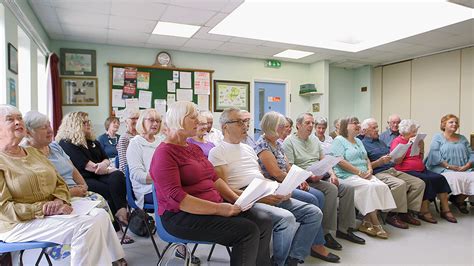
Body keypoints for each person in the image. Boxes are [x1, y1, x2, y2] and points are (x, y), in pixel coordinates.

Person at [0, 105, 126, 266]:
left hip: (47, 213)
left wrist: (59, 201)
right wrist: (45, 207)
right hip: (16, 223)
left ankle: (112, 260)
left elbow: (58, 182)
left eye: (19, 118)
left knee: (99, 215)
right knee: (86, 226)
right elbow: (3, 209)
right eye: (10, 119)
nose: (18, 122)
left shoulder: (32, 153)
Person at [150, 101, 273, 266]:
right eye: (193, 117)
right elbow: (179, 199)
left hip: (211, 206)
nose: (198, 121)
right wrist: (221, 209)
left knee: (264, 221)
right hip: (181, 217)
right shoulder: (164, 153)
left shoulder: (193, 149)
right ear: (179, 120)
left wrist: (237, 199)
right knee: (247, 231)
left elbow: (214, 179)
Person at [209, 107, 322, 266]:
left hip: (263, 189)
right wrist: (260, 196)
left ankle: (293, 258)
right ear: (225, 127)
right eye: (239, 122)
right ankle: (279, 263)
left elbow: (260, 176)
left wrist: (278, 188)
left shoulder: (248, 148)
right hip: (244, 197)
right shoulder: (217, 152)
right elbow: (224, 190)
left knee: (313, 213)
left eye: (246, 122)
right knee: (286, 219)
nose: (245, 126)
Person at [254, 111, 339, 263]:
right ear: (272, 127)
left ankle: (309, 243)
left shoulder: (278, 143)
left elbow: (287, 167)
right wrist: (296, 181)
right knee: (313, 198)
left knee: (318, 196)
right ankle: (316, 244)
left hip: (287, 183)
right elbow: (276, 173)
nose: (285, 129)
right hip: (275, 187)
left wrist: (299, 178)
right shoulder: (262, 145)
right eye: (281, 126)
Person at [283, 113, 365, 246]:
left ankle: (344, 229)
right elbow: (290, 167)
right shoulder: (289, 142)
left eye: (312, 123)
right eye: (307, 123)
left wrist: (332, 174)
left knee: (347, 188)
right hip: (305, 179)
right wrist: (310, 175)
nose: (311, 126)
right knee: (331, 189)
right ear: (298, 125)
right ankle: (327, 233)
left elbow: (323, 159)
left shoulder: (314, 140)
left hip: (321, 174)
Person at [56, 111, 129, 228]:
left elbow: (105, 158)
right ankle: (115, 227)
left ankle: (121, 211)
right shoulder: (67, 143)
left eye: (88, 121)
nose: (88, 124)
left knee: (118, 176)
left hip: (100, 174)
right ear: (74, 125)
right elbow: (89, 167)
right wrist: (106, 168)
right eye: (84, 122)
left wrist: (104, 165)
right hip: (83, 178)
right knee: (108, 189)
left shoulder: (92, 141)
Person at [331, 116, 396, 239]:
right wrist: (359, 173)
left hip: (364, 173)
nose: (358, 125)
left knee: (381, 186)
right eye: (354, 123)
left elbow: (366, 158)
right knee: (370, 187)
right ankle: (376, 224)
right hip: (347, 175)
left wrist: (370, 170)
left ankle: (366, 222)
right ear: (346, 126)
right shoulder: (339, 140)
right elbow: (340, 161)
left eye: (358, 123)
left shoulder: (358, 141)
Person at [360, 118, 425, 229]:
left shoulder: (381, 141)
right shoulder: (362, 145)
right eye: (374, 128)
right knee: (400, 184)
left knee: (419, 183)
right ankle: (391, 215)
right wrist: (379, 162)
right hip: (378, 172)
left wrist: (396, 156)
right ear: (365, 131)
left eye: (377, 127)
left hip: (392, 170)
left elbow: (391, 158)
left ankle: (404, 212)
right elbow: (364, 166)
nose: (377, 130)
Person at [391, 119, 456, 223]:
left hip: (421, 169)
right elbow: (396, 161)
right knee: (426, 180)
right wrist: (407, 145)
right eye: (413, 131)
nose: (415, 134)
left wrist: (421, 149)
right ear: (406, 131)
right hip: (405, 170)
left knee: (440, 178)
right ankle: (423, 211)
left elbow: (420, 158)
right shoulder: (397, 141)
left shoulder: (416, 140)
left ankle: (445, 209)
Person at [425, 114, 474, 214]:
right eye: (451, 122)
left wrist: (467, 165)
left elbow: (471, 153)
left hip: (463, 168)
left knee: (472, 178)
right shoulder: (438, 137)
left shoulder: (462, 138)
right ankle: (444, 205)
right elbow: (434, 154)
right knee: (451, 178)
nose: (454, 124)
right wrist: (449, 166)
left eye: (456, 122)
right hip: (442, 168)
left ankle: (458, 200)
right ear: (444, 124)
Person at [127, 109, 163, 208]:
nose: (155, 123)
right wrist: (163, 179)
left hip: (163, 186)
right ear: (142, 121)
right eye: (151, 120)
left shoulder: (161, 142)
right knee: (178, 197)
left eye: (158, 121)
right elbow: (137, 175)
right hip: (146, 190)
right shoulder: (135, 143)